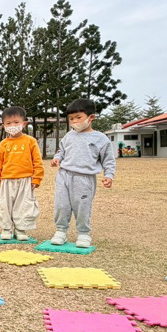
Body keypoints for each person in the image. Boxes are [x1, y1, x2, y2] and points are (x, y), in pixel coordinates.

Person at [51, 98, 116, 248]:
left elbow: (108, 159)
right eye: (71, 118)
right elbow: (61, 151)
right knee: (61, 205)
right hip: (64, 175)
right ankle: (60, 231)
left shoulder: (101, 138)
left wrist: (109, 175)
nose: (74, 121)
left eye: (78, 117)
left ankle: (83, 234)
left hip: (84, 178)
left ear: (91, 117)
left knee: (82, 206)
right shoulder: (69, 136)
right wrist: (57, 158)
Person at [0, 105, 44, 240]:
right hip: (6, 180)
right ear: (3, 126)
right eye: (8, 123)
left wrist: (37, 178)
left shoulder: (30, 141)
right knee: (4, 204)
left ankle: (21, 229)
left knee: (24, 204)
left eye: (16, 122)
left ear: (24, 124)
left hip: (26, 180)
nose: (12, 126)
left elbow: (37, 161)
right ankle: (6, 228)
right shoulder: (3, 144)